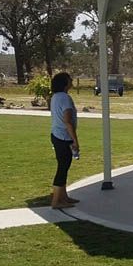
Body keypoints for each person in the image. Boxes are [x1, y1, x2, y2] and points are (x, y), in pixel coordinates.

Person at [49, 72, 80, 208]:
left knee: (64, 167)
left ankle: (64, 197)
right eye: (69, 79)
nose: (72, 80)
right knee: (62, 169)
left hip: (56, 135)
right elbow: (67, 121)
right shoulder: (65, 98)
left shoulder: (55, 97)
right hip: (63, 137)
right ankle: (56, 202)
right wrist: (75, 140)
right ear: (65, 83)